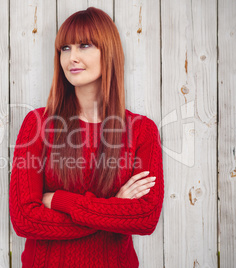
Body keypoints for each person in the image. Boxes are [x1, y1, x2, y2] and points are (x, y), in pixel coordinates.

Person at [9, 7, 164, 268]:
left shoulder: (141, 130)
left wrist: (60, 200)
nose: (72, 58)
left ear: (109, 52)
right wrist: (114, 208)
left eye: (84, 45)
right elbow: (25, 220)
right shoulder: (38, 124)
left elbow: (145, 218)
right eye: (65, 49)